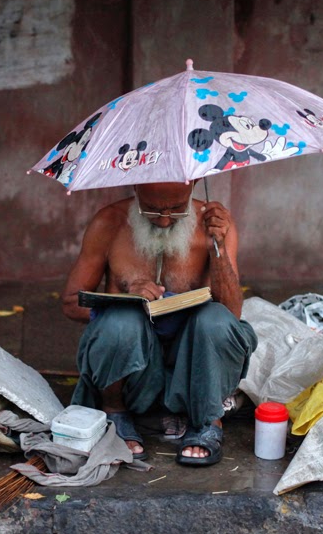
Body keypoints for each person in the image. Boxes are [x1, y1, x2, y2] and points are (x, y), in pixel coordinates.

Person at [61, 181, 258, 466]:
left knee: (215, 321)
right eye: (152, 209)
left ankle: (208, 420)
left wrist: (217, 246)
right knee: (120, 321)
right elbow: (71, 303)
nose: (164, 220)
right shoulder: (109, 222)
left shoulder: (214, 223)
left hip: (195, 366)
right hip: (133, 374)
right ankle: (114, 411)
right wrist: (127, 299)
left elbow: (231, 314)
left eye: (177, 209)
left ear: (192, 186)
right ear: (136, 187)